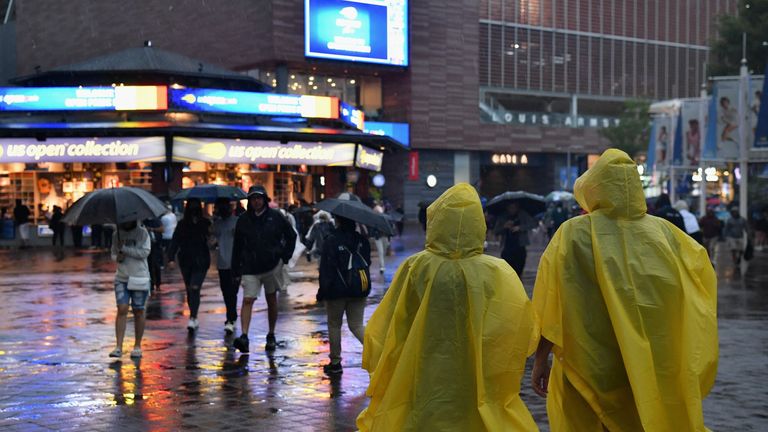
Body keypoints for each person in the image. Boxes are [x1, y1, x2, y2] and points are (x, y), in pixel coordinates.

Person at [530, 149, 717, 431]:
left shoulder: (572, 234)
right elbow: (699, 288)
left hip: (588, 358)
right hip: (649, 360)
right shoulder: (667, 235)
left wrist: (541, 358)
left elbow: (550, 300)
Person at [357, 183, 538, 431]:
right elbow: (517, 327)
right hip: (477, 376)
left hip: (422, 373)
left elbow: (388, 325)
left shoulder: (416, 267)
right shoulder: (497, 272)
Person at [231, 186, 296, 353]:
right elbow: (237, 246)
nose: (256, 201)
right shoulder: (243, 220)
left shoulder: (276, 217)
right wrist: (235, 269)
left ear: (264, 199)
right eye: (253, 199)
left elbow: (291, 235)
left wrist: (284, 257)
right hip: (250, 266)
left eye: (259, 198)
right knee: (247, 299)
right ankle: (244, 336)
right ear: (249, 201)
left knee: (271, 299)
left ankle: (271, 334)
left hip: (272, 265)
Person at [317, 215, 371, 375]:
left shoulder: (331, 240)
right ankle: (378, 353)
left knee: (334, 325)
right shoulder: (362, 240)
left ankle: (335, 363)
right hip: (359, 288)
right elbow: (367, 262)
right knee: (357, 325)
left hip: (336, 291)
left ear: (338, 221)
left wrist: (322, 292)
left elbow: (326, 269)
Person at [109, 220, 152, 359]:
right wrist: (118, 257)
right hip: (121, 277)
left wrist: (125, 249)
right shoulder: (117, 234)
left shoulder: (142, 233)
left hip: (139, 277)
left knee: (138, 311)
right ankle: (118, 346)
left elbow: (145, 252)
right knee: (122, 309)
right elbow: (113, 253)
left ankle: (137, 345)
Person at [167, 198, 211, 331]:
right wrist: (171, 258)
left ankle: (193, 317)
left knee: (194, 287)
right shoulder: (182, 224)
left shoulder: (205, 223)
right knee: (189, 289)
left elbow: (211, 238)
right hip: (186, 260)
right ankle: (193, 316)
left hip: (201, 260)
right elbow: (175, 241)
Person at [212, 198, 239, 335]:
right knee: (226, 291)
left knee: (232, 292)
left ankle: (231, 318)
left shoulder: (238, 222)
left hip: (235, 263)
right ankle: (231, 316)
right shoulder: (217, 224)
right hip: (222, 263)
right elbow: (212, 241)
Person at [493, 201, 537, 277]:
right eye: (510, 207)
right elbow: (496, 231)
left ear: (517, 207)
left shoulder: (523, 214)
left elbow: (532, 224)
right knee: (508, 272)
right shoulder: (503, 216)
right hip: (507, 248)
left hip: (520, 247)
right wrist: (504, 226)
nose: (512, 209)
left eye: (514, 207)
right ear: (507, 208)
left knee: (518, 271)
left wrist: (520, 228)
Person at [143, 217, 164, 291]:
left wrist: (152, 229)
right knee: (149, 266)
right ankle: (151, 284)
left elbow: (162, 229)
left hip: (156, 245)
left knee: (156, 265)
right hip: (147, 246)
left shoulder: (156, 220)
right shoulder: (144, 221)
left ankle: (158, 283)